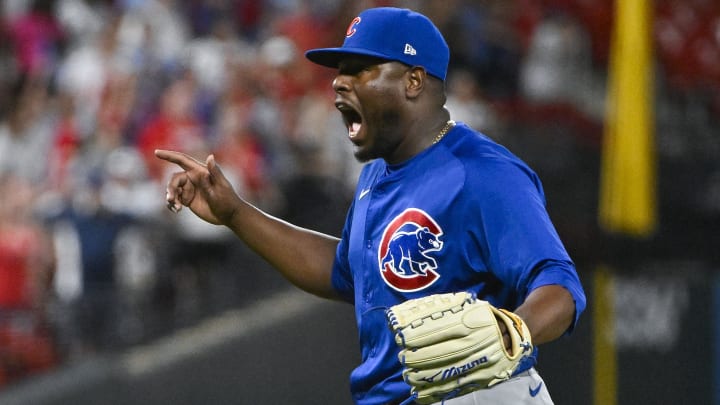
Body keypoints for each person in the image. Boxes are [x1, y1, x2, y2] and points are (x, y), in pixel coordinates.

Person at [155, 7, 586, 405]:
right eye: (341, 72)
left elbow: (561, 286)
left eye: (362, 70)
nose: (340, 82)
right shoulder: (377, 173)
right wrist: (236, 213)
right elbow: (345, 271)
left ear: (414, 82)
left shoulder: (482, 172)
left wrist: (515, 331)